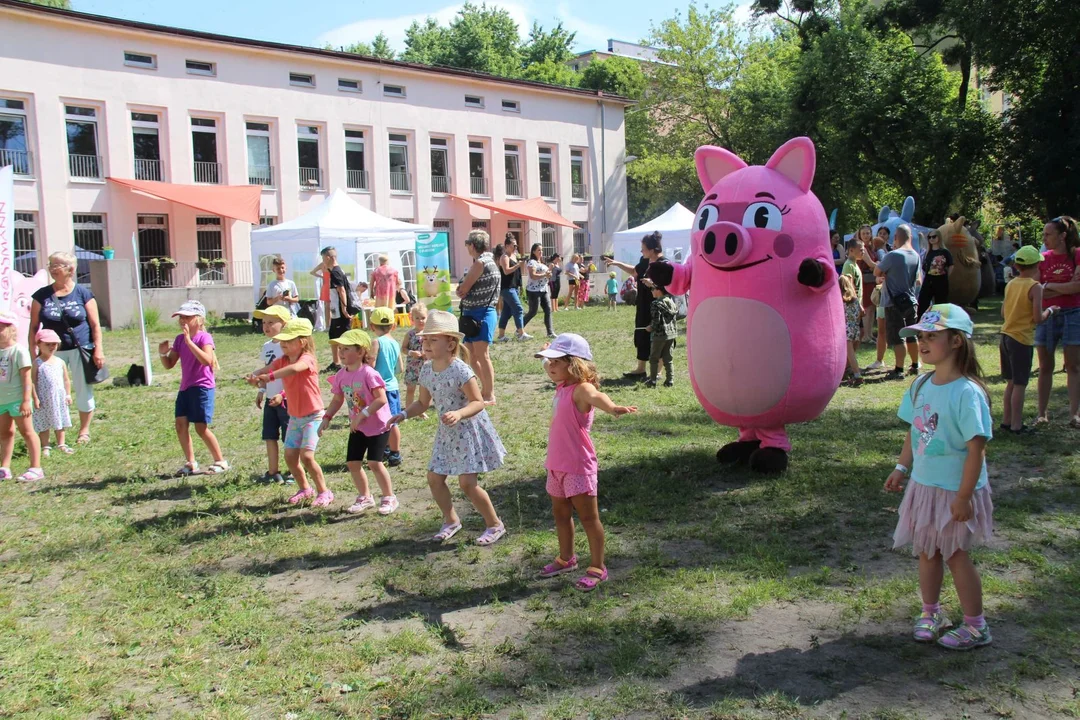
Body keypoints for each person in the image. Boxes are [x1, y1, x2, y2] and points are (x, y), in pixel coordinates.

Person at [885, 304, 994, 651]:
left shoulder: (967, 393)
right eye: (921, 337)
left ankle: (977, 626)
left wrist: (963, 497)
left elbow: (976, 450)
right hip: (925, 487)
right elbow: (915, 433)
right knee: (927, 552)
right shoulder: (921, 385)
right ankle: (931, 613)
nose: (925, 343)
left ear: (958, 341)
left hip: (955, 489)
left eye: (932, 336)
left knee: (956, 554)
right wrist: (903, 468)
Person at [391, 310, 507, 546]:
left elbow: (478, 402)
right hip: (447, 434)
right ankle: (451, 520)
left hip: (468, 432)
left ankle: (495, 525)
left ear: (450, 343)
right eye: (425, 339)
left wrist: (459, 413)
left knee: (467, 484)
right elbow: (423, 403)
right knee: (434, 478)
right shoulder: (426, 369)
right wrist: (403, 414)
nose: (427, 343)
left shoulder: (460, 369)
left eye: (434, 339)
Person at [535, 334, 636, 591]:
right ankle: (566, 558)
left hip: (578, 466)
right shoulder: (562, 385)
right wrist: (546, 352)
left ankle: (598, 567)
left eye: (556, 362)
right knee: (560, 514)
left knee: (589, 518)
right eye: (549, 363)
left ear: (574, 363)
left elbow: (596, 396)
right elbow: (547, 365)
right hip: (556, 465)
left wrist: (612, 408)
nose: (550, 367)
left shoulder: (581, 389)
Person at [248, 318, 333, 507]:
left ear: (301, 342)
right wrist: (255, 376)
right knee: (290, 457)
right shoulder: (282, 360)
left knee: (307, 457)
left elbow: (293, 370)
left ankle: (324, 492)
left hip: (313, 416)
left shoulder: (307, 359)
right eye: (282, 340)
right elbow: (268, 369)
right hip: (295, 417)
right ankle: (305, 488)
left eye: (287, 341)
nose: (282, 344)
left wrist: (268, 377)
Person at [30, 251, 104, 445]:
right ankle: (53, 434)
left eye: (57, 265)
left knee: (82, 389)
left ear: (70, 269)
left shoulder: (83, 293)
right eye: (50, 265)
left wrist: (99, 349)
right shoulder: (41, 296)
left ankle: (84, 431)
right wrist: (33, 352)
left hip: (80, 348)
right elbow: (33, 327)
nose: (52, 269)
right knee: (51, 391)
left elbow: (95, 324)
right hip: (51, 352)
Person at [322, 329, 398, 516]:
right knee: (353, 463)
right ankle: (365, 497)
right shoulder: (341, 374)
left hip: (378, 426)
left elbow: (381, 399)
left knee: (374, 462)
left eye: (346, 348)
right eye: (340, 348)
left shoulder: (369, 374)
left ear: (361, 352)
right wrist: (327, 417)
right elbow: (337, 400)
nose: (341, 352)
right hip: (358, 427)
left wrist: (361, 415)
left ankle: (389, 497)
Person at [157, 300, 229, 476]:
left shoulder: (204, 338)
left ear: (199, 319)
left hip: (202, 387)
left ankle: (220, 461)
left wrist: (190, 342)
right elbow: (169, 364)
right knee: (181, 425)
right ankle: (191, 463)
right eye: (181, 317)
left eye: (187, 317)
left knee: (200, 427)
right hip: (186, 388)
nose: (183, 321)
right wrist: (162, 353)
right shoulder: (180, 339)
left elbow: (208, 360)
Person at [1001, 246, 1056, 433]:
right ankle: (1017, 425)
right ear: (1037, 266)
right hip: (1021, 339)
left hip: (1005, 336)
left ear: (1016, 266)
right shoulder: (1035, 287)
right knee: (1020, 384)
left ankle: (1006, 421)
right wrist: (1050, 310)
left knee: (1010, 382)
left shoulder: (1011, 284)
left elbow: (1003, 312)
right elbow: (1038, 318)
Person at [603, 232, 669, 379]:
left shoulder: (664, 264)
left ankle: (658, 372)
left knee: (658, 337)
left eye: (643, 249)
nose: (641, 251)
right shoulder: (644, 261)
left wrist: (652, 285)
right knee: (641, 334)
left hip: (658, 306)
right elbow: (634, 271)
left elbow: (667, 290)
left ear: (652, 250)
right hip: (643, 305)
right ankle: (641, 369)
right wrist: (617, 263)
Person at [1035, 216, 1080, 427]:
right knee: (1045, 366)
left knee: (1073, 365)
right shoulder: (1042, 258)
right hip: (1048, 314)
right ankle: (1042, 414)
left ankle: (1074, 414)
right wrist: (1064, 286)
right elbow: (1036, 290)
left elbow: (1076, 288)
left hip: (1074, 313)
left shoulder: (1078, 255)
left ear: (1062, 236)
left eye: (1048, 234)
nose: (1044, 238)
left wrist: (1049, 286)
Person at [871, 224, 921, 380]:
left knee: (898, 337)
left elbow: (876, 271)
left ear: (896, 237)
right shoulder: (916, 255)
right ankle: (915, 365)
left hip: (894, 303)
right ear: (910, 237)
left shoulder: (893, 255)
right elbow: (918, 280)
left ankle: (898, 369)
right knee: (912, 334)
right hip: (911, 301)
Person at [456, 230, 501, 404]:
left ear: (473, 245)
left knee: (481, 355)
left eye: (467, 244)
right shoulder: (490, 261)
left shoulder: (480, 263)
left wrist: (461, 287)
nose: (467, 247)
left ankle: (489, 394)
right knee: (471, 355)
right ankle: (484, 390)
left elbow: (462, 289)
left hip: (479, 314)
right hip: (477, 313)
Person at [0, 311, 43, 482]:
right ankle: (5, 467)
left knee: (27, 431)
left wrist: (26, 401)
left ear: (11, 329)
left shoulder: (19, 351)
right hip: (2, 401)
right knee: (5, 433)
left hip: (18, 400)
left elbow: (27, 378)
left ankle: (36, 467)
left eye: (1, 327)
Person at [253, 305, 293, 484]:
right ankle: (273, 471)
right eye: (263, 323)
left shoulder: (288, 346)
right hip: (270, 399)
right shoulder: (266, 346)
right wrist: (262, 390)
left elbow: (291, 375)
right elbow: (265, 375)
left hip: (286, 400)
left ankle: (293, 471)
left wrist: (283, 394)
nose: (266, 326)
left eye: (271, 322)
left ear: (284, 324)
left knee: (289, 437)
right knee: (269, 435)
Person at [369, 307, 404, 467]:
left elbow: (371, 364)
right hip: (393, 387)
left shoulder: (376, 342)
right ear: (393, 326)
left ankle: (391, 450)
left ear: (372, 326)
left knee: (384, 421)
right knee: (392, 420)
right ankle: (392, 451)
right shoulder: (395, 343)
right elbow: (400, 368)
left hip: (379, 388)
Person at [32, 329, 73, 457]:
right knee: (43, 422)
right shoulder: (37, 363)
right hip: (44, 398)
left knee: (59, 419)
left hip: (58, 397)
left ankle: (61, 444)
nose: (51, 347)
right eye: (47, 344)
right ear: (39, 344)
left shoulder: (60, 362)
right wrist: (35, 398)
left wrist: (68, 394)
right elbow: (32, 381)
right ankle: (45, 445)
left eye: (54, 344)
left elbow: (66, 380)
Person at [313, 246, 351, 372]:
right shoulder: (334, 271)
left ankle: (348, 362)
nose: (323, 261)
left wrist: (344, 308)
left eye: (323, 258)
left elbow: (342, 290)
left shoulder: (335, 272)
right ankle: (336, 362)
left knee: (344, 337)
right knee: (333, 335)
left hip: (340, 311)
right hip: (336, 310)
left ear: (328, 257)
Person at [495, 236, 530, 342]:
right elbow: (506, 271)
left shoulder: (514, 255)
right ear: (506, 246)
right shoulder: (504, 257)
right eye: (513, 245)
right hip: (507, 288)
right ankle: (521, 333)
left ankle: (501, 336)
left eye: (516, 245)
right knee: (518, 308)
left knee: (507, 311)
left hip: (513, 287)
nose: (515, 247)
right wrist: (517, 266)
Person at [645, 283, 678, 388]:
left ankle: (653, 380)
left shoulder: (656, 304)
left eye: (653, 289)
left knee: (654, 358)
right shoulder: (671, 301)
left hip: (659, 335)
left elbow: (656, 320)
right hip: (671, 334)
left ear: (659, 290)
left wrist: (651, 327)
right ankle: (670, 380)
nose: (651, 291)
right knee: (668, 358)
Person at [402, 303, 429, 419]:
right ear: (412, 318)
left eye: (423, 318)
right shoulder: (410, 334)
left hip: (426, 365)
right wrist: (411, 352)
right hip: (413, 366)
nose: (420, 320)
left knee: (424, 389)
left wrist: (427, 353)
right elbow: (403, 348)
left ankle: (421, 410)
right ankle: (408, 411)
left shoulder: (429, 333)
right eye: (417, 318)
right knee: (411, 389)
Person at [918, 230, 953, 317]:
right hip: (928, 279)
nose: (931, 239)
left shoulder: (945, 252)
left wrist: (947, 276)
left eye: (934, 237)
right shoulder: (928, 252)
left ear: (939, 237)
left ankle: (941, 324)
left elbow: (951, 265)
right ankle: (920, 322)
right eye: (929, 237)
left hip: (941, 279)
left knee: (941, 304)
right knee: (922, 302)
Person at [522, 243, 554, 338]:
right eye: (539, 250)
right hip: (533, 290)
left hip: (544, 289)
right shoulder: (532, 262)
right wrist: (545, 275)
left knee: (548, 309)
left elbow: (546, 274)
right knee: (533, 311)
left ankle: (550, 332)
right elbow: (533, 275)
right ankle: (519, 328)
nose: (541, 252)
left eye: (541, 250)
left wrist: (549, 274)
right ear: (533, 251)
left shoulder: (541, 263)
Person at [839, 275, 863, 387]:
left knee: (850, 353)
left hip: (846, 329)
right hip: (855, 328)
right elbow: (862, 312)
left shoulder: (840, 301)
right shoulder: (855, 300)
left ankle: (857, 375)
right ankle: (845, 371)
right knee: (850, 353)